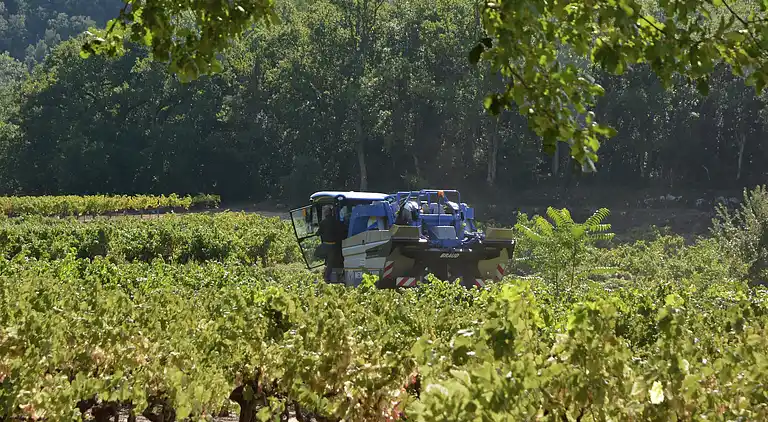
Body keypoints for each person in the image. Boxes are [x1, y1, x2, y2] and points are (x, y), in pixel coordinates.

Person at [317, 206, 345, 282]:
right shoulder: (336, 222)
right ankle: (334, 275)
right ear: (331, 213)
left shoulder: (323, 223)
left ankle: (327, 277)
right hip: (336, 245)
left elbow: (318, 233)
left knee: (328, 261)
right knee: (333, 260)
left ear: (325, 214)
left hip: (327, 245)